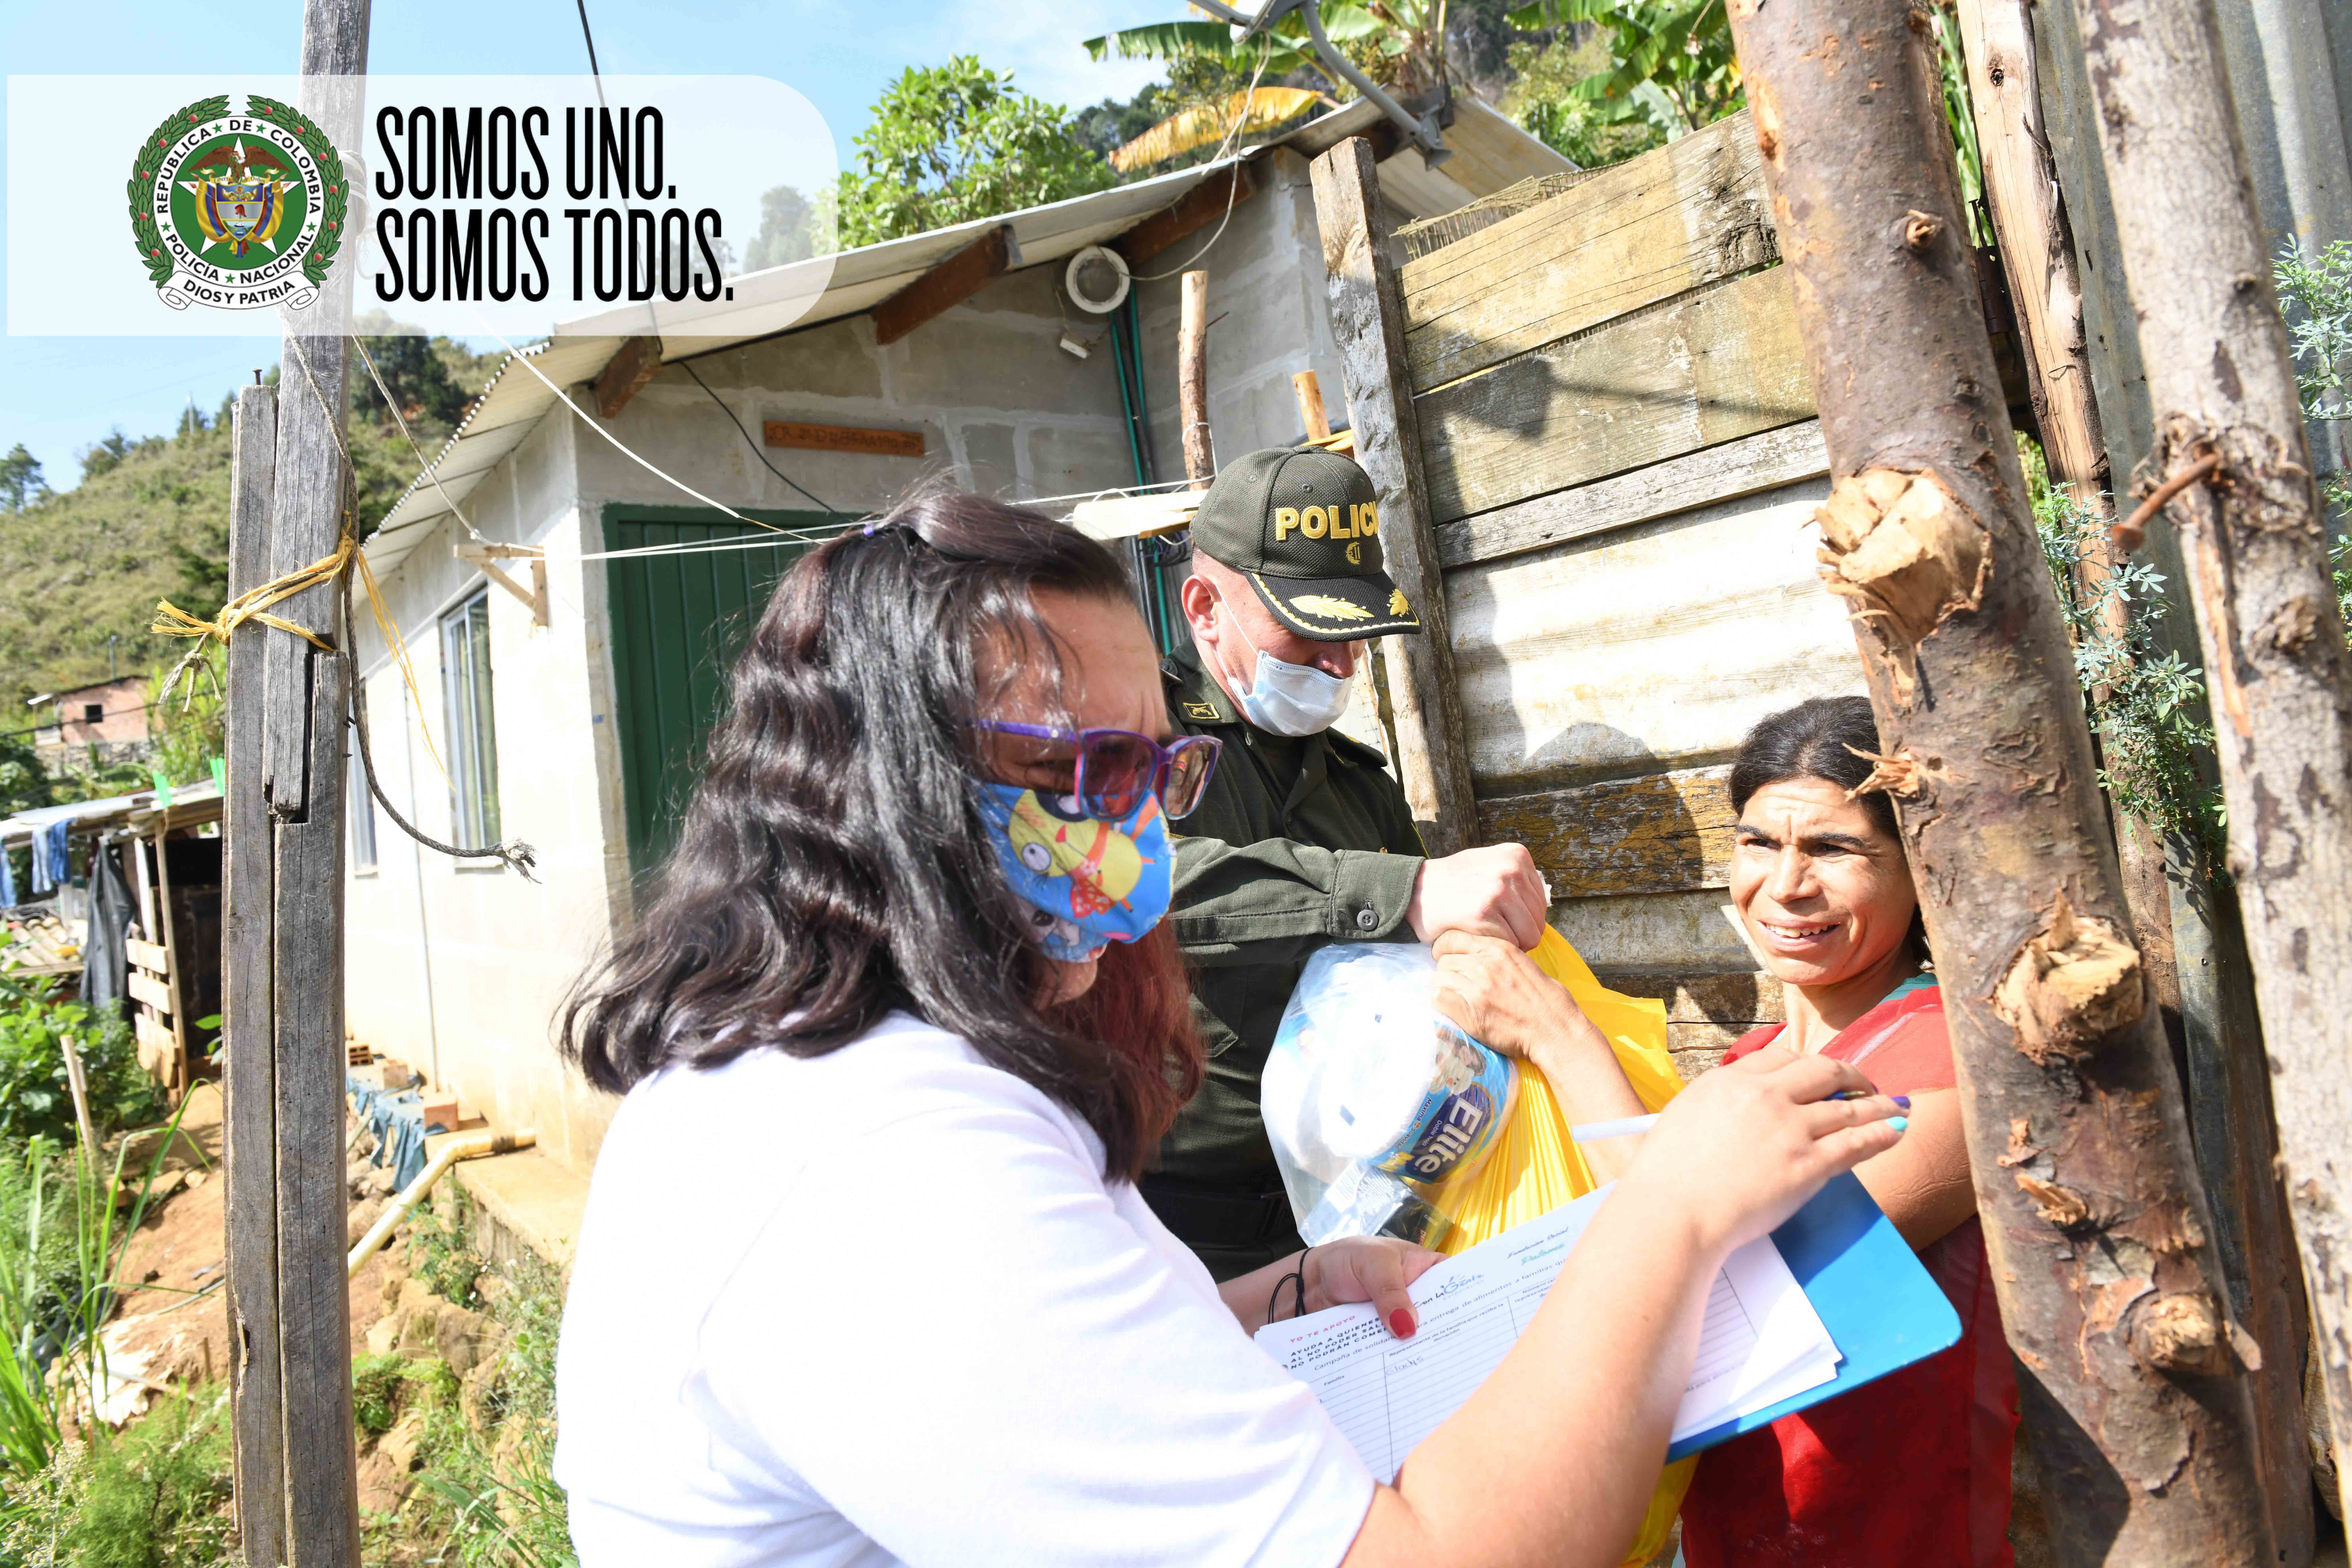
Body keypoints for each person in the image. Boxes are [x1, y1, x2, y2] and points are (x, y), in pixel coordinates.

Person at [552, 492, 1906, 1568]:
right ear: (883, 784)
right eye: (1075, 771)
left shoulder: (851, 1071)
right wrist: (1663, 1211)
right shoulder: (890, 1156)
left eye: (1154, 771)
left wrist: (1264, 1301)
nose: (1134, 829)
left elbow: (1028, 1361)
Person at [1150, 444, 1551, 1278]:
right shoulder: (1138, 740)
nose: (1340, 665)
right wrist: (1402, 889)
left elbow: (1411, 968)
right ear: (1205, 607)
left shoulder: (1356, 783)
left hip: (1352, 1207)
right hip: (1179, 1223)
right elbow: (1148, 880)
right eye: (1308, 634)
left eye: (1356, 634)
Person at [1677, 695, 2017, 1568]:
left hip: (1904, 1536)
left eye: (1832, 849)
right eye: (1759, 843)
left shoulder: (1952, 1048)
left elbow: (1748, 1277)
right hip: (1740, 1528)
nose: (1786, 886)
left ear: (1919, 866)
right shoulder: (1741, 1066)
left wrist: (1562, 1037)